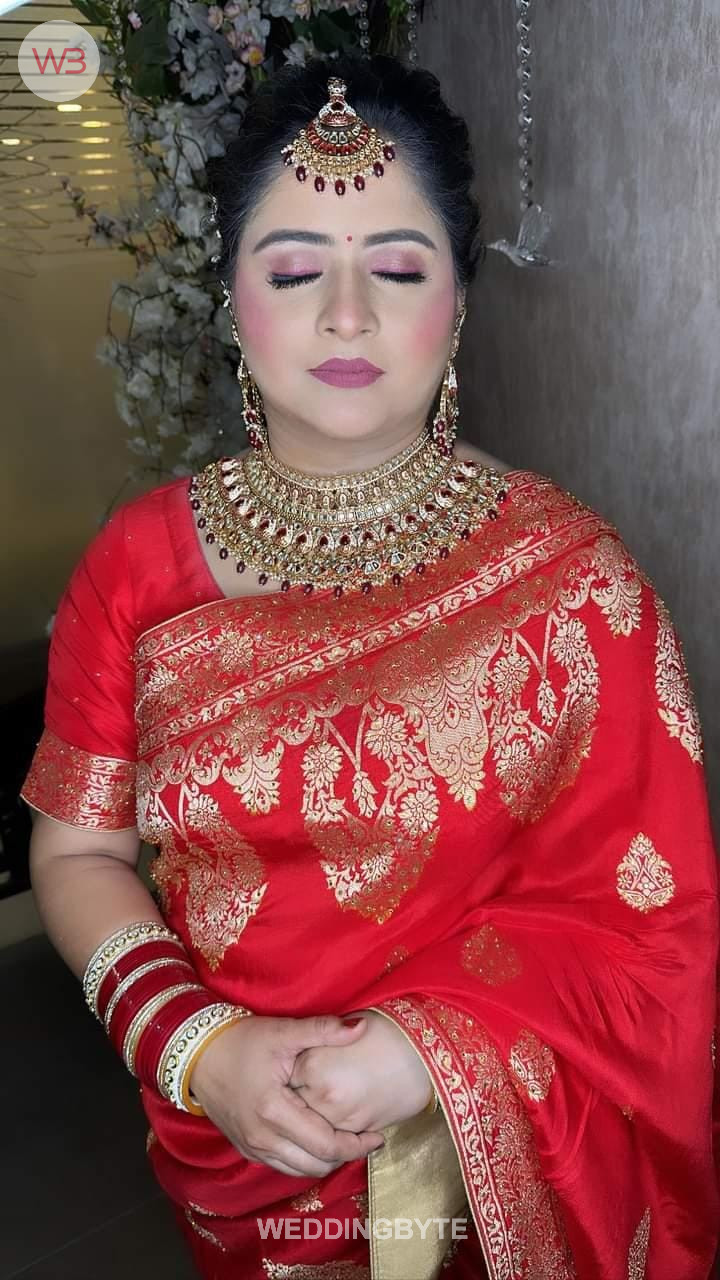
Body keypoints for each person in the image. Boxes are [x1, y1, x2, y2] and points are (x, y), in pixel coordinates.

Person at [21, 51, 719, 1280]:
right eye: (294, 270)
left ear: (460, 301)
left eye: (398, 268)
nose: (348, 315)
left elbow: (649, 932)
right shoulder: (133, 568)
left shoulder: (573, 581)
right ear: (231, 300)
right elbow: (77, 852)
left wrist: (427, 1054)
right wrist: (197, 1046)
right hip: (233, 1152)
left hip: (474, 1175)